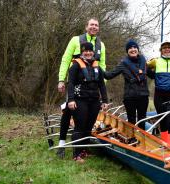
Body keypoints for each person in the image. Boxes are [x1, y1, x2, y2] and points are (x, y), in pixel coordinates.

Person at [56, 17, 106, 158]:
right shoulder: (75, 40)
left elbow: (102, 66)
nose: (94, 27)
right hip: (74, 85)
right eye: (91, 25)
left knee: (86, 120)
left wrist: (100, 89)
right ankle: (61, 144)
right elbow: (66, 59)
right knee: (67, 114)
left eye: (96, 25)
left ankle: (83, 148)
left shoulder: (101, 45)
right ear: (86, 27)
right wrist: (61, 80)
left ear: (98, 28)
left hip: (91, 90)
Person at [67, 42, 108, 163]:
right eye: (86, 51)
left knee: (89, 126)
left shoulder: (97, 66)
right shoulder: (75, 66)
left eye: (90, 51)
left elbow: (101, 84)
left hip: (94, 101)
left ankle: (84, 150)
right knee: (80, 126)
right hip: (80, 100)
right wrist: (71, 99)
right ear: (82, 52)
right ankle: (76, 154)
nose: (88, 53)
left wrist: (104, 100)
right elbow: (71, 83)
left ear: (93, 52)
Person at [104, 39, 149, 129]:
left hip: (143, 96)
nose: (133, 49)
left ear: (138, 49)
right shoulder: (123, 64)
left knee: (142, 120)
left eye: (135, 47)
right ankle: (132, 141)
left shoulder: (144, 62)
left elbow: (152, 74)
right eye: (130, 48)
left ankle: (142, 141)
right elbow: (109, 75)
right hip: (130, 97)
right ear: (127, 51)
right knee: (131, 122)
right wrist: (98, 68)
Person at [147, 41, 170, 147]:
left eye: (169, 48)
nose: (167, 49)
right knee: (163, 121)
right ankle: (165, 145)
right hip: (159, 96)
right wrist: (153, 75)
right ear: (161, 50)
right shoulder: (155, 61)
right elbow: (144, 66)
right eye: (164, 48)